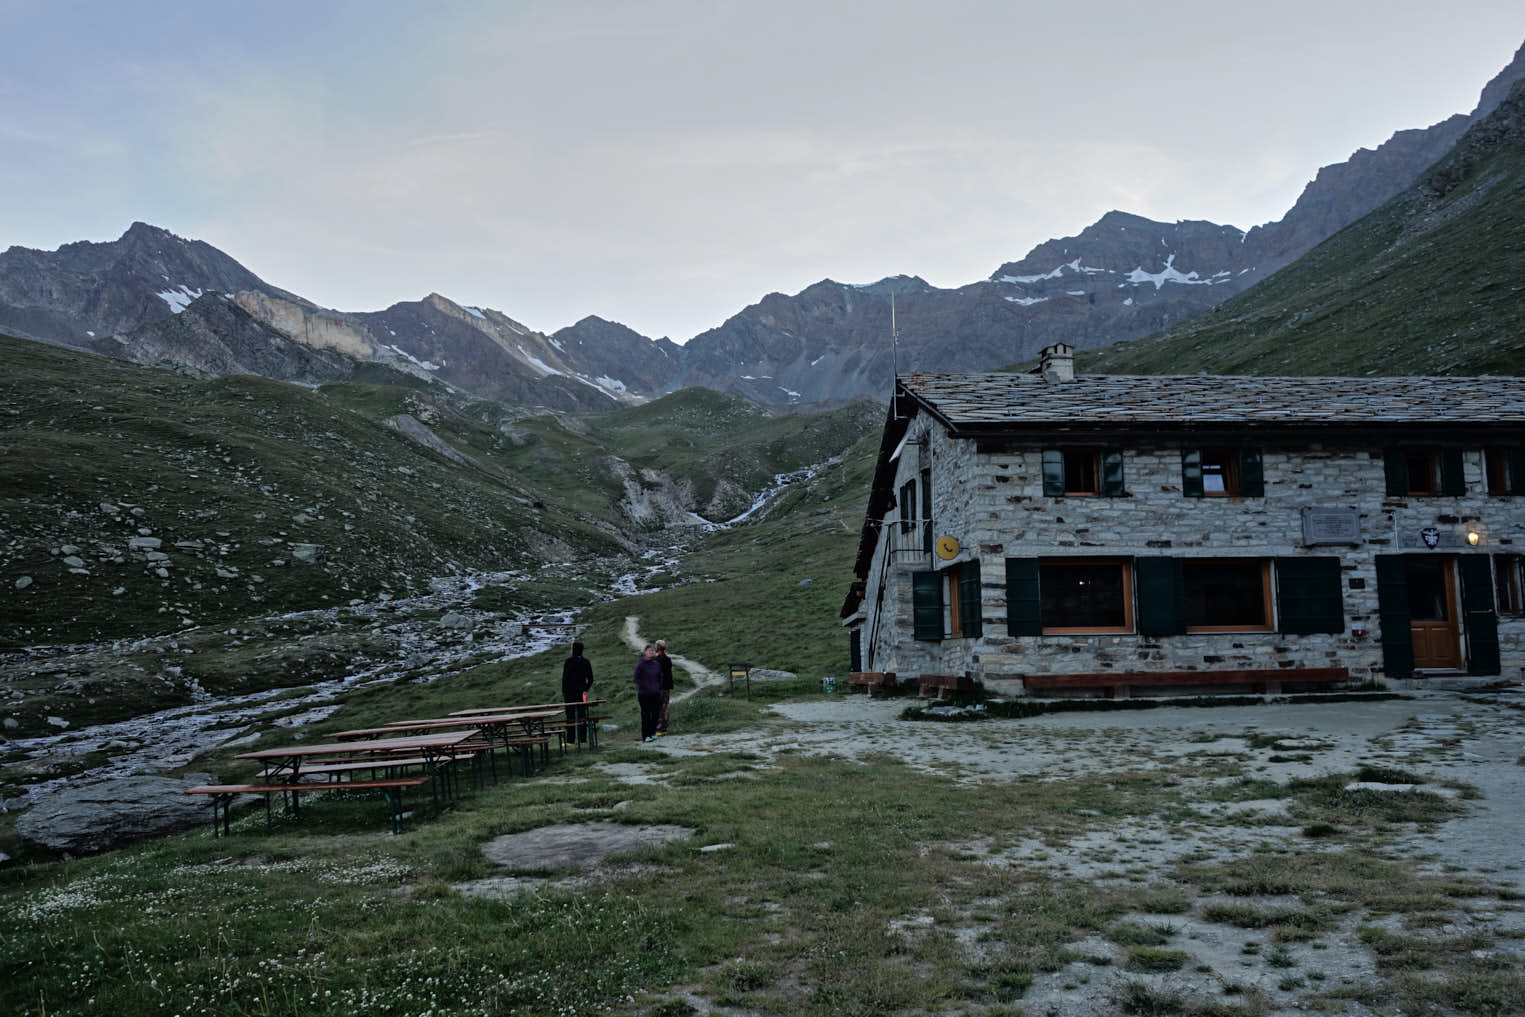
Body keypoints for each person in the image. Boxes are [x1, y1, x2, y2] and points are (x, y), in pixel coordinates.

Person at [561, 641, 594, 745]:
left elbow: (565, 679)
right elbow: (591, 679)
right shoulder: (586, 662)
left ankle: (570, 740)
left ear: (574, 649)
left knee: (570, 716)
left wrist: (564, 691)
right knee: (582, 715)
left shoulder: (568, 661)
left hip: (569, 694)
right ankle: (583, 739)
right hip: (582, 693)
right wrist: (586, 689)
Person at [632, 644, 664, 743]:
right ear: (645, 652)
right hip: (644, 694)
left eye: (653, 651)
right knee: (646, 715)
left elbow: (660, 676)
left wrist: (658, 686)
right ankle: (645, 736)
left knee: (655, 714)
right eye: (649, 651)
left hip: (655, 693)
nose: (651, 652)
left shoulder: (656, 664)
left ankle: (652, 733)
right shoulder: (641, 664)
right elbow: (636, 678)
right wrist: (644, 686)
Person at [654, 639, 674, 735]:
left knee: (658, 707)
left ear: (657, 648)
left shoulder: (657, 660)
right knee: (665, 707)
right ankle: (665, 728)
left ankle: (658, 728)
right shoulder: (667, 659)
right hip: (667, 687)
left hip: (659, 687)